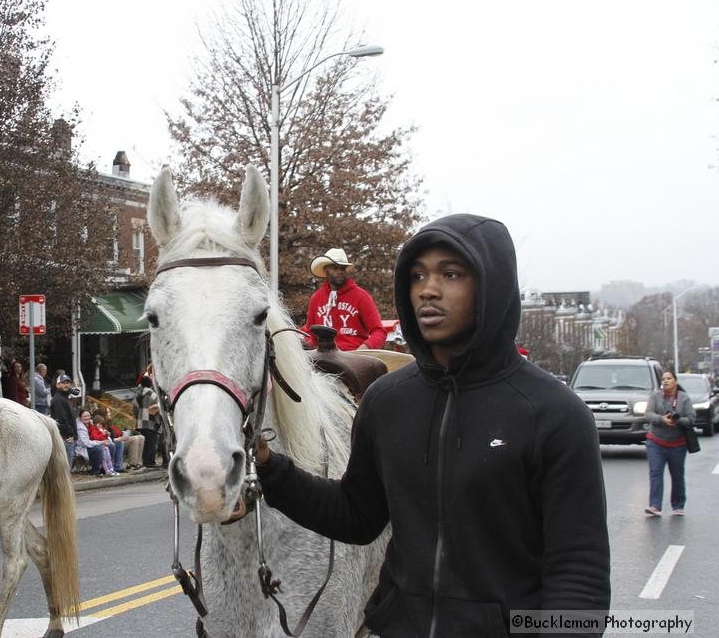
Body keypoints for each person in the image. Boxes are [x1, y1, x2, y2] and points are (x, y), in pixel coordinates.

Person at [256, 214, 611, 637]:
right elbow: (356, 516)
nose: (428, 289)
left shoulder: (555, 413)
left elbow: (579, 573)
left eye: (452, 273)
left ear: (490, 286)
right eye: (418, 275)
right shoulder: (387, 402)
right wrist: (269, 465)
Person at [299, 248, 386, 351]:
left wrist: (363, 350)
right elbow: (311, 333)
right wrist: (301, 341)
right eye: (335, 268)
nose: (340, 272)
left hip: (355, 358)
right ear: (325, 271)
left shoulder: (361, 296)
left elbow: (379, 332)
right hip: (324, 358)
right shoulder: (316, 298)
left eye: (343, 268)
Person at [644, 370, 694, 516]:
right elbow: (648, 413)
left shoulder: (684, 398)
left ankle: (678, 505)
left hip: (677, 444)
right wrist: (662, 419)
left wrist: (677, 420)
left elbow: (691, 419)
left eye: (669, 378)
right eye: (664, 379)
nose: (665, 381)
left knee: (677, 474)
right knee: (656, 472)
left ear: (675, 381)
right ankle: (655, 505)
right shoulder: (655, 396)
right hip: (656, 441)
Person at [50, 373, 78, 469]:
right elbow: (62, 420)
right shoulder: (58, 400)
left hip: (68, 438)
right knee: (65, 470)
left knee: (66, 469)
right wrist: (70, 434)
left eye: (68, 383)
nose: (66, 385)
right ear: (58, 385)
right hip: (65, 438)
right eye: (63, 383)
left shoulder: (65, 398)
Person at [133, 375, 160, 468]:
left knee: (144, 443)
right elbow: (157, 408)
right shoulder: (153, 394)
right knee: (151, 443)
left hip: (140, 422)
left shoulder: (137, 394)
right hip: (150, 422)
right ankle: (151, 462)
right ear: (150, 384)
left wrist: (138, 416)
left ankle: (144, 461)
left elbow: (134, 408)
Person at [74, 409, 110, 476]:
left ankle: (107, 468)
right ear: (80, 417)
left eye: (88, 416)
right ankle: (95, 471)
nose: (87, 418)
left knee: (111, 445)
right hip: (82, 448)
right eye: (84, 416)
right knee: (98, 449)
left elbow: (100, 430)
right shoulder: (80, 427)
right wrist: (101, 442)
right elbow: (86, 443)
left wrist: (106, 434)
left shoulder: (92, 423)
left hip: (92, 443)